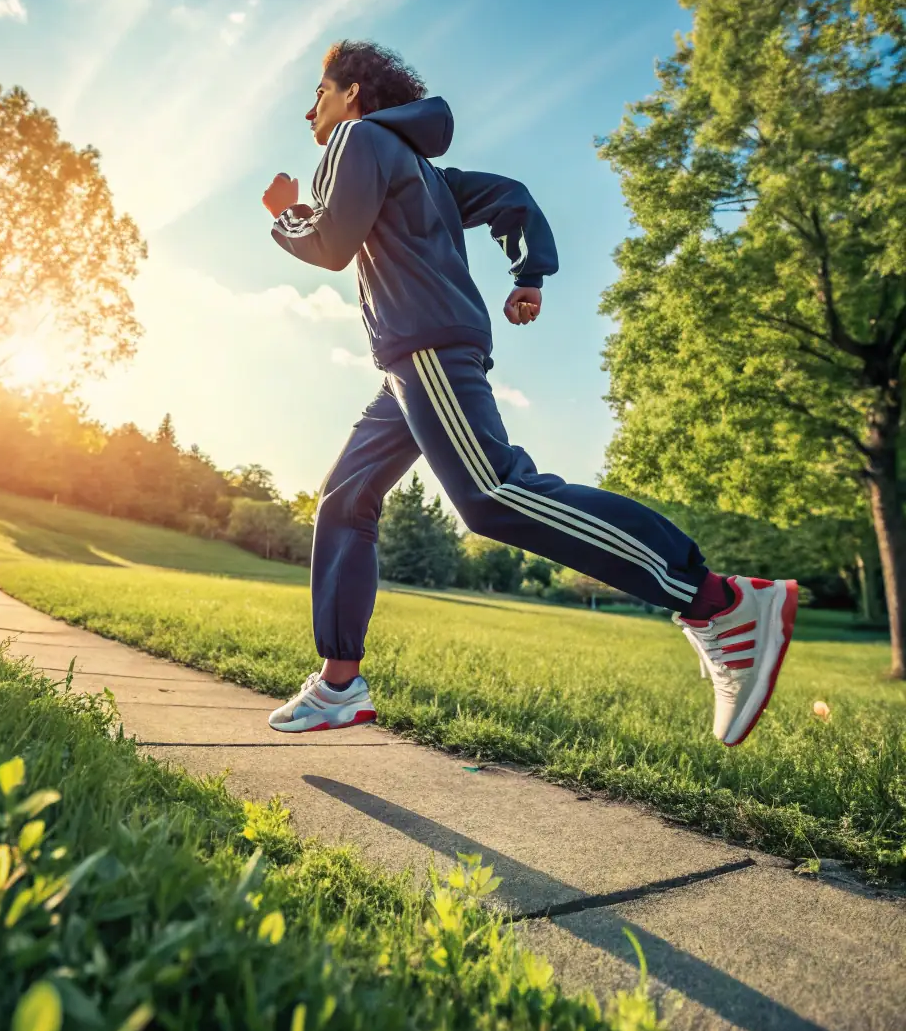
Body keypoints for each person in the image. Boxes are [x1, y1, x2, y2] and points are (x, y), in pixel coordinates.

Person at [261, 40, 797, 747]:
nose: (311, 110)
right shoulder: (420, 168)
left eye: (320, 93)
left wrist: (288, 212)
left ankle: (719, 602)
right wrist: (530, 272)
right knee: (346, 494)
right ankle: (338, 682)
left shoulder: (357, 139)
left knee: (491, 495)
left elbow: (331, 243)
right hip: (408, 363)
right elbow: (511, 196)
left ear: (354, 92)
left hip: (425, 348)